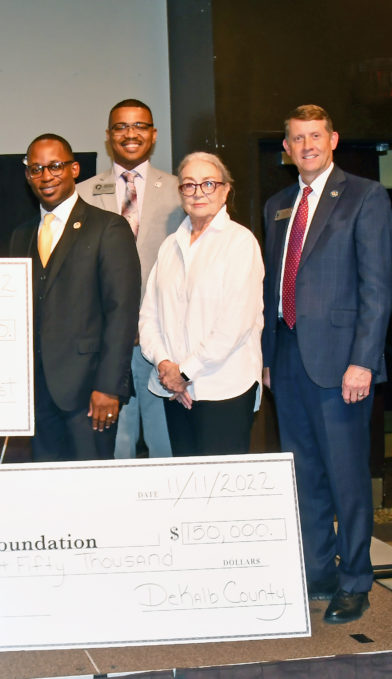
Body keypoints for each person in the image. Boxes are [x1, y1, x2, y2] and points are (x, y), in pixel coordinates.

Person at [262, 105, 392, 624]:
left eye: (315, 135)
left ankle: (356, 580)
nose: (307, 145)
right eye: (297, 138)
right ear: (287, 148)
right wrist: (269, 358)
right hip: (288, 358)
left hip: (341, 365)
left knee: (346, 477)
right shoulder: (276, 205)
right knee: (304, 474)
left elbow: (377, 289)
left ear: (333, 139)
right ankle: (318, 573)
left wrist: (363, 361)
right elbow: (274, 288)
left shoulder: (365, 196)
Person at [9, 134, 140, 461]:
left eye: (55, 166)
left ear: (74, 168)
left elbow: (121, 313)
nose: (46, 176)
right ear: (28, 176)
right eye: (36, 169)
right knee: (48, 494)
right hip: (38, 397)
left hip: (90, 394)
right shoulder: (21, 234)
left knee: (92, 496)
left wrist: (109, 387)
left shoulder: (108, 228)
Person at [77, 99, 184, 460]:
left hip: (163, 345)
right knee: (115, 449)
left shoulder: (180, 191)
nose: (130, 134)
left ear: (153, 134)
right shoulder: (81, 194)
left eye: (139, 126)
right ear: (108, 136)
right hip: (107, 347)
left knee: (164, 448)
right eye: (121, 127)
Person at [139, 152, 263, 456]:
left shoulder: (240, 242)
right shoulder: (170, 246)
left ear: (225, 190)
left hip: (224, 388)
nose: (198, 193)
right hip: (175, 391)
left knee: (221, 493)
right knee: (188, 490)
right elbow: (149, 317)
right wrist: (166, 366)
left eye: (208, 184)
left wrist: (185, 372)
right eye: (189, 185)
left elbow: (235, 324)